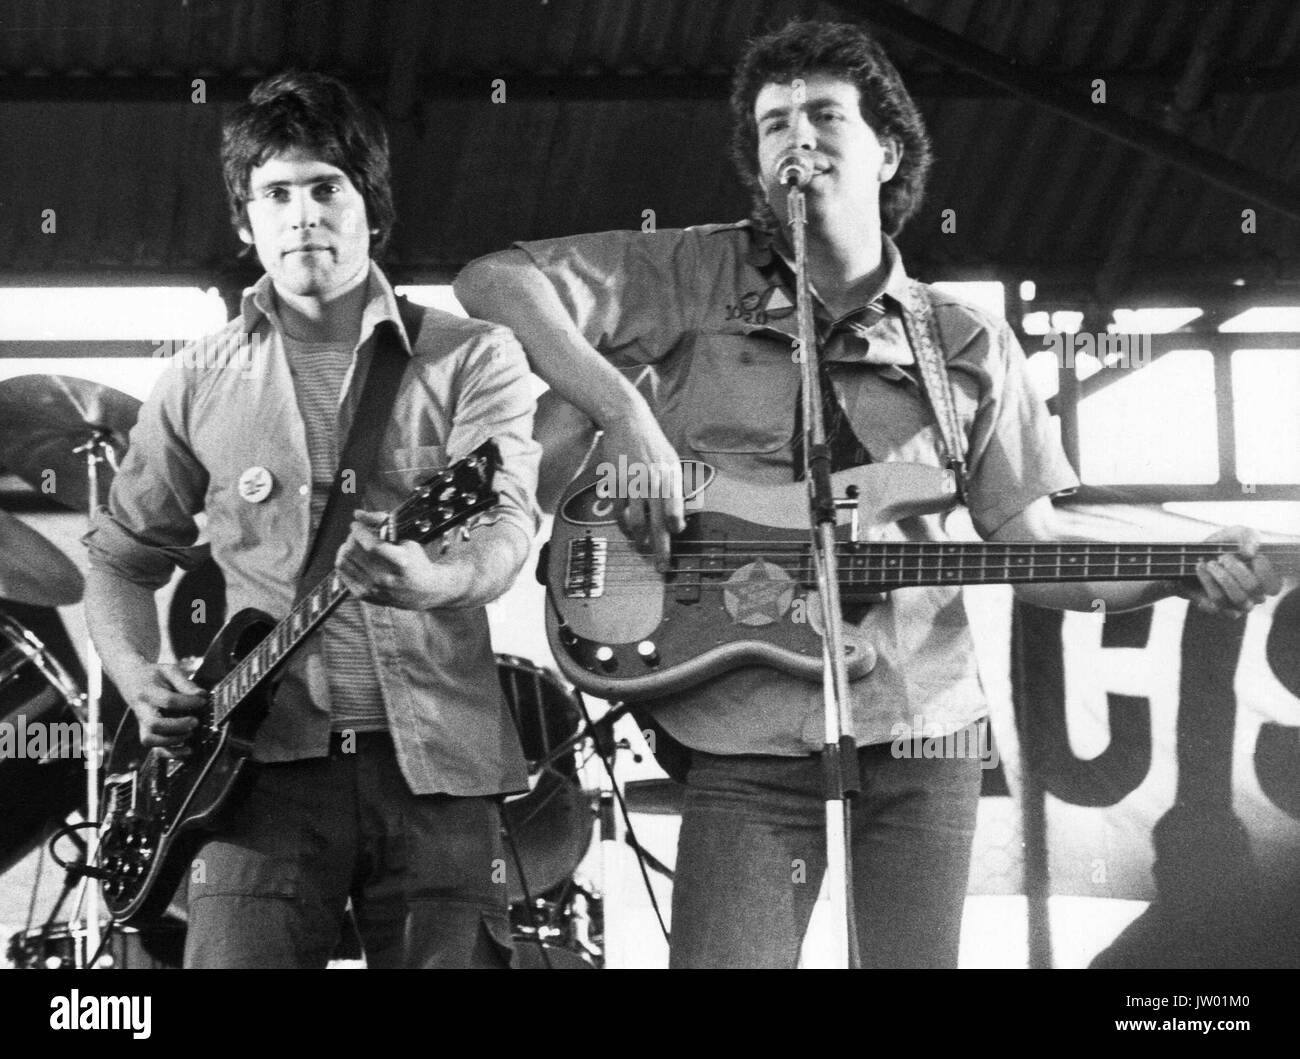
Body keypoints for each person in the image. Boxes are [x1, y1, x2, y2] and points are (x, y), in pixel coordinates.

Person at [454, 20, 1282, 968]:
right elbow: (496, 280)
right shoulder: (690, 271)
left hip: (922, 736)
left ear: (887, 150)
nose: (794, 138)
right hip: (745, 737)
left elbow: (1034, 540)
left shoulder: (963, 341)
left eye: (821, 115)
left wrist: (1179, 570)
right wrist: (626, 415)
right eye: (772, 125)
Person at [85, 72, 541, 968]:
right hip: (254, 781)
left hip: (438, 773)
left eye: (327, 187)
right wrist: (140, 676)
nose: (303, 216)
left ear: (370, 202)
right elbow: (119, 560)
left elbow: (506, 532)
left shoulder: (472, 355)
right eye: (277, 193)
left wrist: (435, 580)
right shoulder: (194, 380)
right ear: (245, 220)